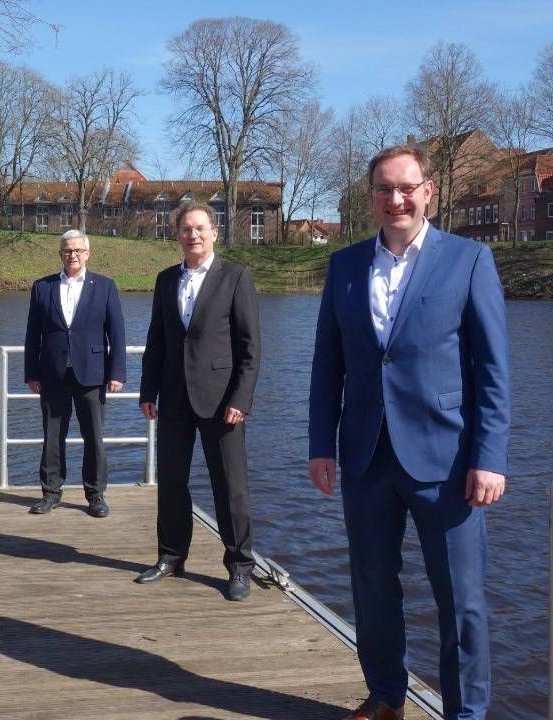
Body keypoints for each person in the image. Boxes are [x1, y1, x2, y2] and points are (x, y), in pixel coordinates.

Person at [308, 145, 510, 720]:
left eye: (406, 187)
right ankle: (386, 696)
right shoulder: (344, 266)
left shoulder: (469, 260)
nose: (395, 199)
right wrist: (321, 443)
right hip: (366, 455)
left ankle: (465, 713)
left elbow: (493, 370)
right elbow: (328, 364)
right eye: (382, 189)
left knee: (461, 601)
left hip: (447, 460)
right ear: (369, 195)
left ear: (428, 193)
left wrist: (489, 457)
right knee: (373, 590)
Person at [137, 203, 260, 601]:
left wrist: (241, 397)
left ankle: (240, 565)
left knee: (230, 486)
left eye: (200, 228)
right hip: (173, 397)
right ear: (178, 235)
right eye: (186, 229)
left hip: (222, 400)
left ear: (215, 233)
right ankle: (171, 556)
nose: (194, 235)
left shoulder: (236, 277)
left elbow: (250, 347)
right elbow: (156, 341)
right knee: (171, 482)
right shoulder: (165, 279)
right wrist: (147, 390)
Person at [23, 229, 127, 517]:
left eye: (78, 250)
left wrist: (116, 372)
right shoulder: (42, 287)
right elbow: (33, 334)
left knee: (93, 436)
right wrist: (31, 371)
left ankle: (95, 495)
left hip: (92, 373)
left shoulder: (104, 286)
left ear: (88, 253)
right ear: (60, 254)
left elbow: (116, 333)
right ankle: (51, 492)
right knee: (52, 435)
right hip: (52, 372)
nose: (73, 255)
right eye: (67, 250)